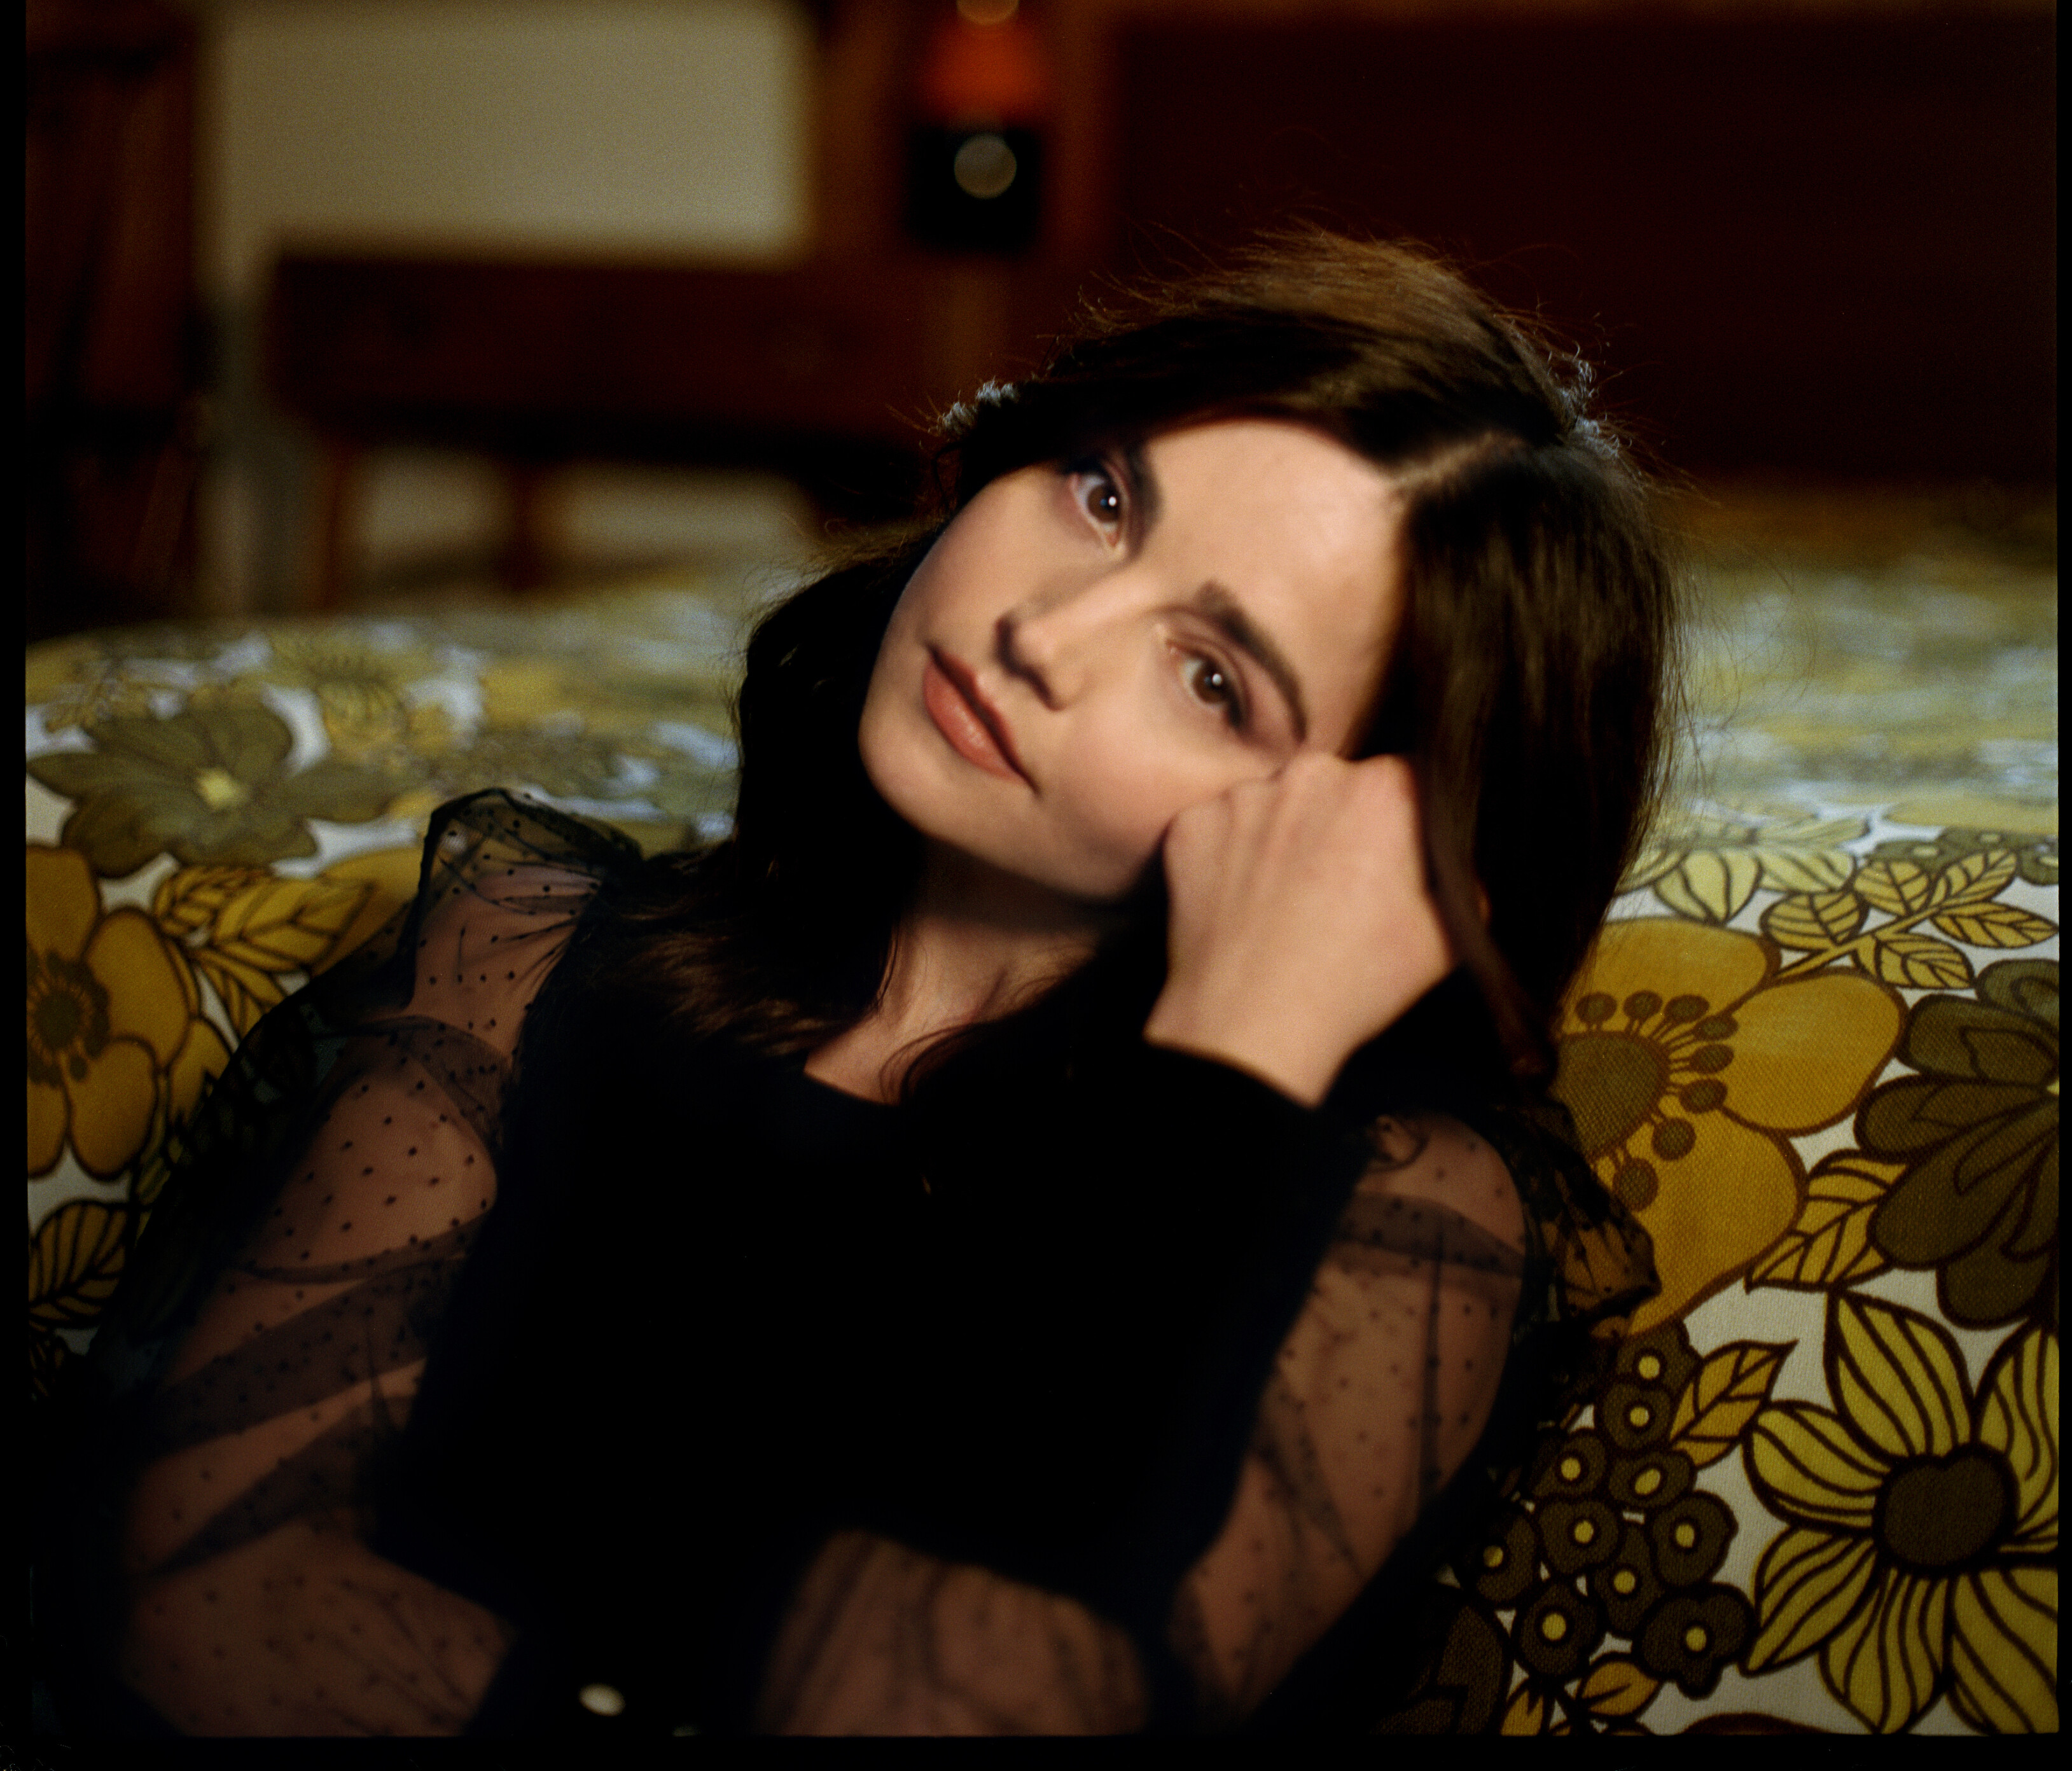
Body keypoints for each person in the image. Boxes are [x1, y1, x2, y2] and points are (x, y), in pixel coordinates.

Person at [38, 230, 1671, 1738]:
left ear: (1354, 842)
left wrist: (1225, 1075)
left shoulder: (1385, 1207)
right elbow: (201, 1601)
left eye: (1211, 674)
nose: (1046, 630)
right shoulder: (530, 953)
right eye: (1104, 493)